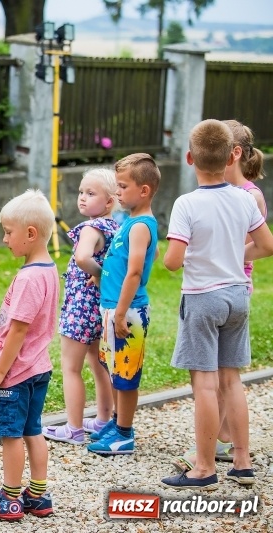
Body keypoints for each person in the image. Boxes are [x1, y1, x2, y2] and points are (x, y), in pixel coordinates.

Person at [161, 119, 273, 489]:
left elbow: (173, 261)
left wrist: (190, 255)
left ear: (190, 158)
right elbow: (267, 245)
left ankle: (204, 468)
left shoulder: (186, 204)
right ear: (230, 157)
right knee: (232, 381)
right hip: (238, 296)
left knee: (206, 387)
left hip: (202, 298)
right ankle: (242, 462)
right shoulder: (245, 198)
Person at [0, 190, 58, 521]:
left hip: (17, 374)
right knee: (33, 429)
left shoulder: (29, 278)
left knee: (11, 436)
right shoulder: (48, 269)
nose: (5, 239)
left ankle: (10, 499)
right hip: (39, 368)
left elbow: (18, 332)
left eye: (8, 232)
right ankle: (38, 495)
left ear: (30, 234)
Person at [86, 153, 159, 456]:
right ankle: (118, 423)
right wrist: (104, 279)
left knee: (126, 375)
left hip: (126, 312)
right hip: (115, 307)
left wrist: (119, 314)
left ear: (144, 190)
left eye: (123, 186)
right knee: (116, 369)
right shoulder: (130, 222)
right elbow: (122, 265)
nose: (117, 192)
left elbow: (135, 272)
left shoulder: (141, 225)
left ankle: (124, 434)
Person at [42, 169, 118, 445]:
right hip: (100, 307)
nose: (82, 198)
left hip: (80, 306)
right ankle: (103, 419)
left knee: (71, 367)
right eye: (81, 192)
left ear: (109, 202)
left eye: (91, 193)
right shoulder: (114, 228)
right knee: (100, 364)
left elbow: (82, 257)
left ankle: (73, 427)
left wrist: (98, 273)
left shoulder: (90, 228)